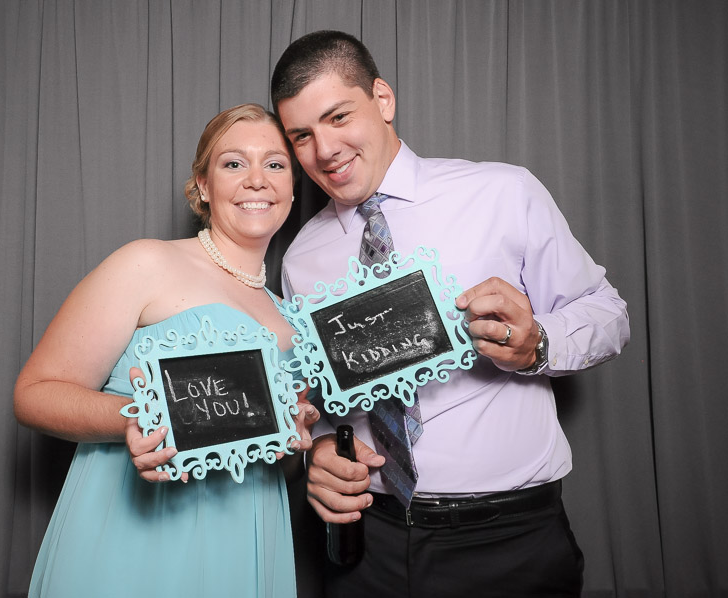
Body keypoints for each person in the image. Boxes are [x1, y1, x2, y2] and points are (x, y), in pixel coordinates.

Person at [270, 30, 630, 597]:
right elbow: (321, 395)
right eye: (302, 136)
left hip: (508, 540)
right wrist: (319, 449)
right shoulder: (300, 259)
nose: (325, 149)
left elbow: (608, 314)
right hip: (370, 545)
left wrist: (539, 345)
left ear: (382, 100)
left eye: (339, 117)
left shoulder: (502, 192)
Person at [13, 103, 319, 598]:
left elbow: (276, 460)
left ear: (292, 185)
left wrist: (292, 439)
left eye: (276, 163)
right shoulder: (146, 263)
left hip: (248, 531)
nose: (257, 179)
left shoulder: (294, 315)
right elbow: (34, 394)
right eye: (234, 163)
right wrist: (137, 420)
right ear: (202, 184)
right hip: (141, 529)